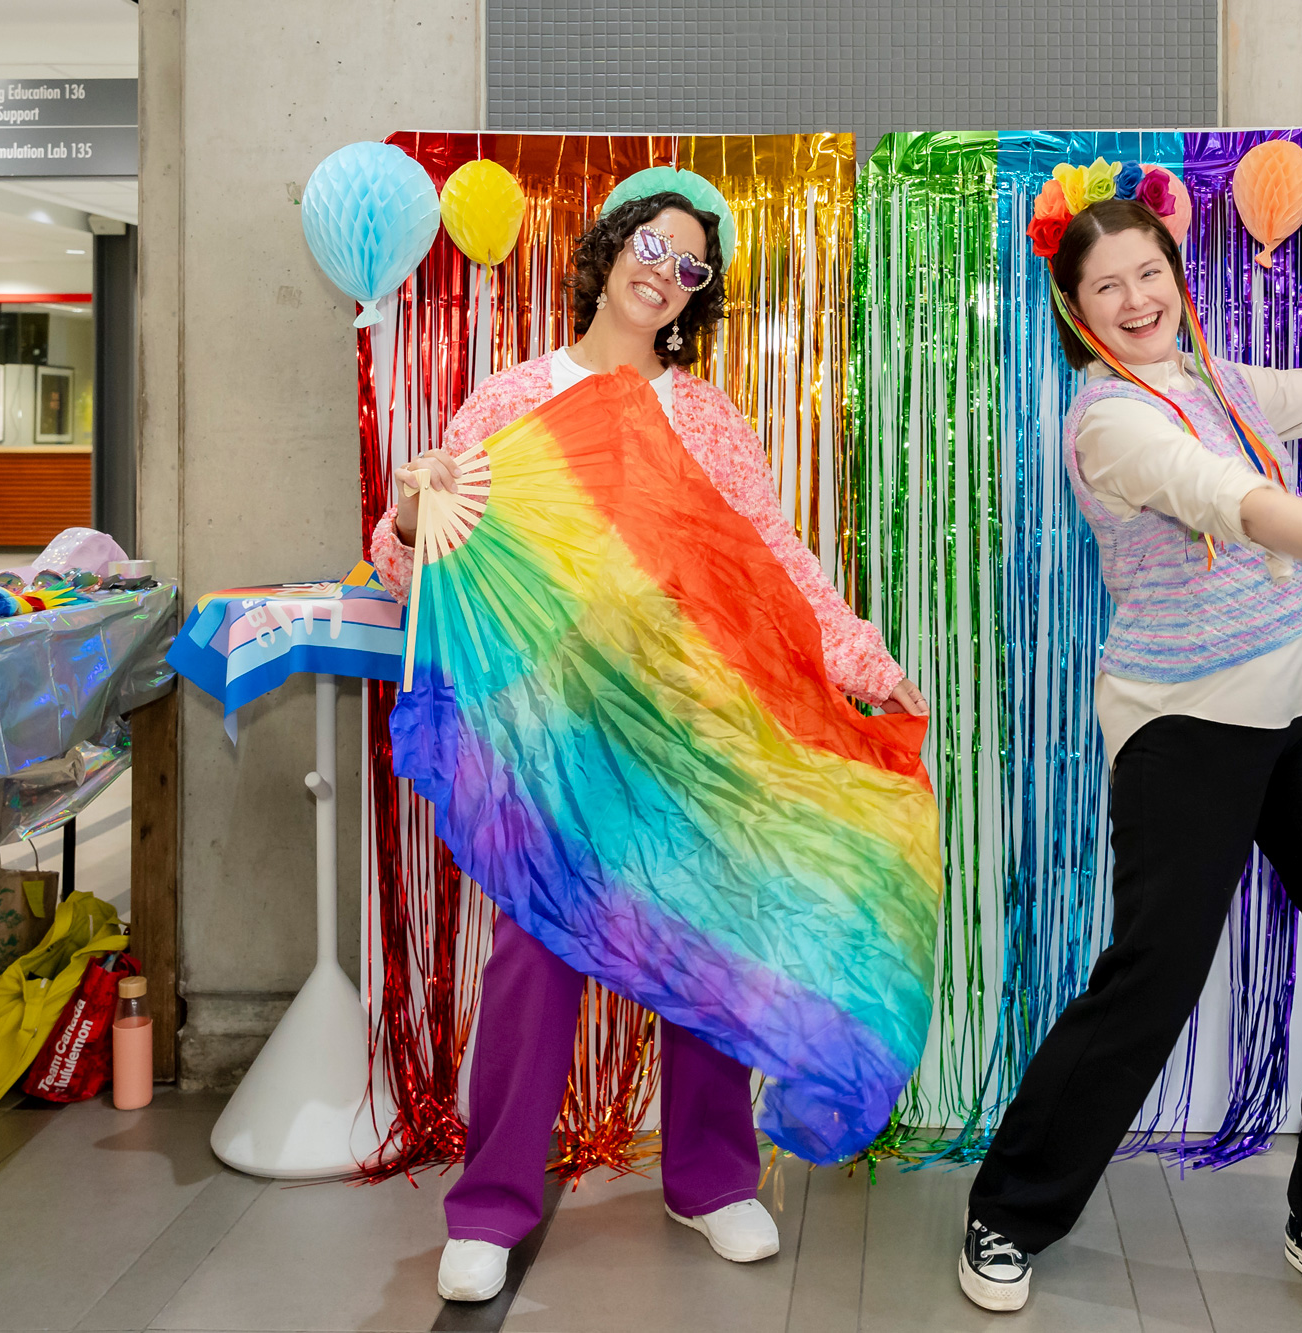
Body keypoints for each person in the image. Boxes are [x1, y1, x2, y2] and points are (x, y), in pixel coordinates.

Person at [369, 167, 927, 1304]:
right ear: (609, 248)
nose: (663, 273)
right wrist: (413, 509)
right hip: (555, 735)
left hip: (692, 735)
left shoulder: (706, 415)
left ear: (698, 295)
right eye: (650, 246)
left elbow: (771, 557)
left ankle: (713, 1180)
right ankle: (491, 1203)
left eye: (690, 265)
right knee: (536, 953)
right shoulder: (513, 399)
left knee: (713, 937)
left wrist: (859, 656)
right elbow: (420, 552)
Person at [955, 189, 1302, 1318]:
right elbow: (1238, 505)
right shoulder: (1105, 421)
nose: (1134, 298)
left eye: (1147, 274)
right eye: (1105, 286)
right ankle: (1006, 1210)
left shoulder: (1222, 387)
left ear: (1174, 277)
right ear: (1076, 312)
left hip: (1301, 701)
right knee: (1151, 983)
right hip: (1182, 720)